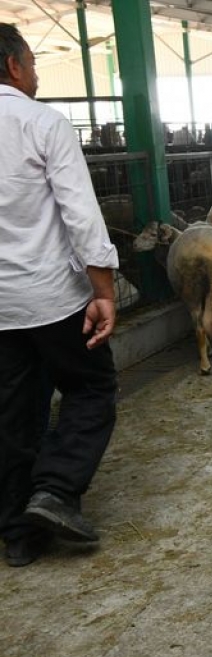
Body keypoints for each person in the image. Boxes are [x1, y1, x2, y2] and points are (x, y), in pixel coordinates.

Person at [0, 24, 119, 568]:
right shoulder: (41, 123)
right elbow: (80, 213)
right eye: (32, 59)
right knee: (91, 389)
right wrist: (104, 289)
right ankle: (56, 491)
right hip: (50, 296)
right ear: (13, 66)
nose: (38, 71)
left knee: (14, 411)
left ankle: (20, 534)